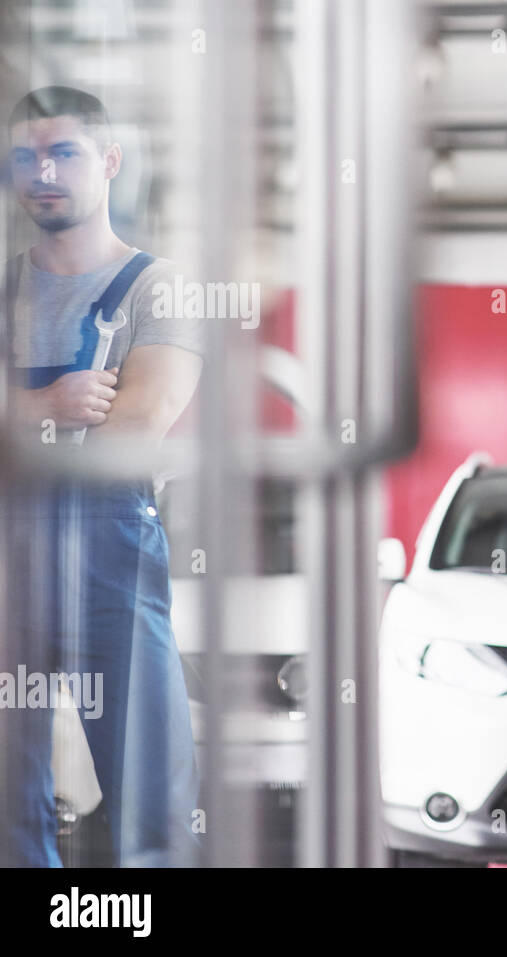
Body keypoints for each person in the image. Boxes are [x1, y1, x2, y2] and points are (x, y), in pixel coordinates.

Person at [0, 85, 204, 866]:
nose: (42, 171)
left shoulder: (160, 289)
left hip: (107, 552)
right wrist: (49, 402)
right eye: (25, 155)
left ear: (111, 161)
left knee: (150, 789)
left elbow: (132, 433)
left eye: (64, 152)